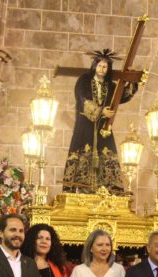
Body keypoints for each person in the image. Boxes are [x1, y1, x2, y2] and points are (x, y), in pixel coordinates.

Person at [62, 49, 138, 194]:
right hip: (85, 125)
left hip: (103, 128)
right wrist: (100, 111)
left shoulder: (111, 86)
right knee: (82, 153)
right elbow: (82, 98)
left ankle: (107, 188)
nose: (102, 69)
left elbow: (124, 95)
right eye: (100, 66)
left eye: (105, 67)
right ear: (94, 66)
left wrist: (131, 80)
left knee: (107, 155)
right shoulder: (84, 80)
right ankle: (79, 186)